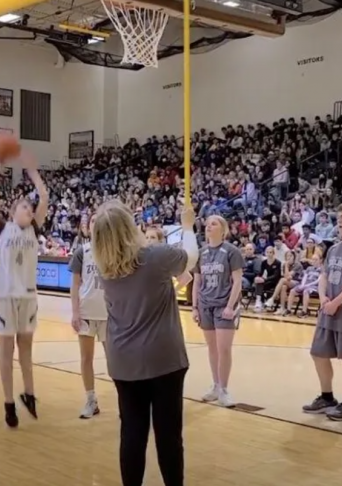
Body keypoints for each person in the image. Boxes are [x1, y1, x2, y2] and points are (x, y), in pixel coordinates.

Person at [92, 200, 198, 486]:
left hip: (123, 360)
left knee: (132, 434)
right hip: (163, 358)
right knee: (168, 436)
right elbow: (190, 257)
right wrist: (187, 227)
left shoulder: (105, 268)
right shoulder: (155, 256)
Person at [0, 135, 48, 427]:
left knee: (27, 350)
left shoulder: (34, 229)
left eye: (30, 209)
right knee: (6, 351)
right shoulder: (2, 229)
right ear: (13, 212)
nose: (29, 210)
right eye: (24, 207)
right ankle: (9, 402)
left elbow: (44, 198)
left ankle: (30, 393)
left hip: (28, 297)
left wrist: (33, 171)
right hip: (5, 296)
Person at [303, 202, 342, 422]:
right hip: (328, 310)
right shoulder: (334, 248)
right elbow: (324, 276)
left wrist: (336, 303)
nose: (339, 221)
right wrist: (322, 298)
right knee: (318, 353)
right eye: (338, 217)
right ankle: (327, 397)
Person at [192, 215, 244, 408]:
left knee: (224, 349)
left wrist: (231, 306)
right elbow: (197, 281)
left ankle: (224, 389)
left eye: (213, 224)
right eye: (207, 224)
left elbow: (237, 281)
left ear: (223, 230)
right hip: (205, 304)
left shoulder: (232, 252)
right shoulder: (201, 252)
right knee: (212, 348)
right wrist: (195, 307)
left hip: (224, 305)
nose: (208, 226)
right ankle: (215, 386)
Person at [69, 219, 105, 419]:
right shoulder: (82, 251)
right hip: (86, 312)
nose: (95, 224)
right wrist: (75, 312)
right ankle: (91, 399)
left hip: (109, 313)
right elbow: (75, 285)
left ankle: (125, 400)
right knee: (86, 358)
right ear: (87, 227)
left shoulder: (113, 249)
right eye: (92, 221)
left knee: (115, 361)